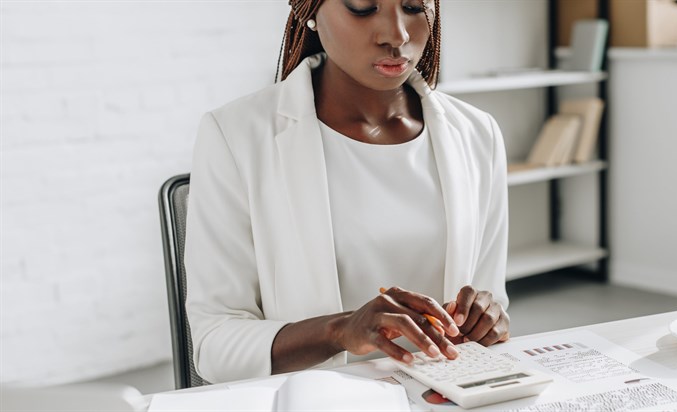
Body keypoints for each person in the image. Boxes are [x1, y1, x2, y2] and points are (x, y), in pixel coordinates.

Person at [185, 0, 511, 384]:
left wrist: (489, 320)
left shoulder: (477, 134)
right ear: (309, 12)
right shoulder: (234, 135)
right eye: (362, 7)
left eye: (413, 6)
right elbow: (214, 347)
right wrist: (340, 331)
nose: (398, 34)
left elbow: (493, 304)